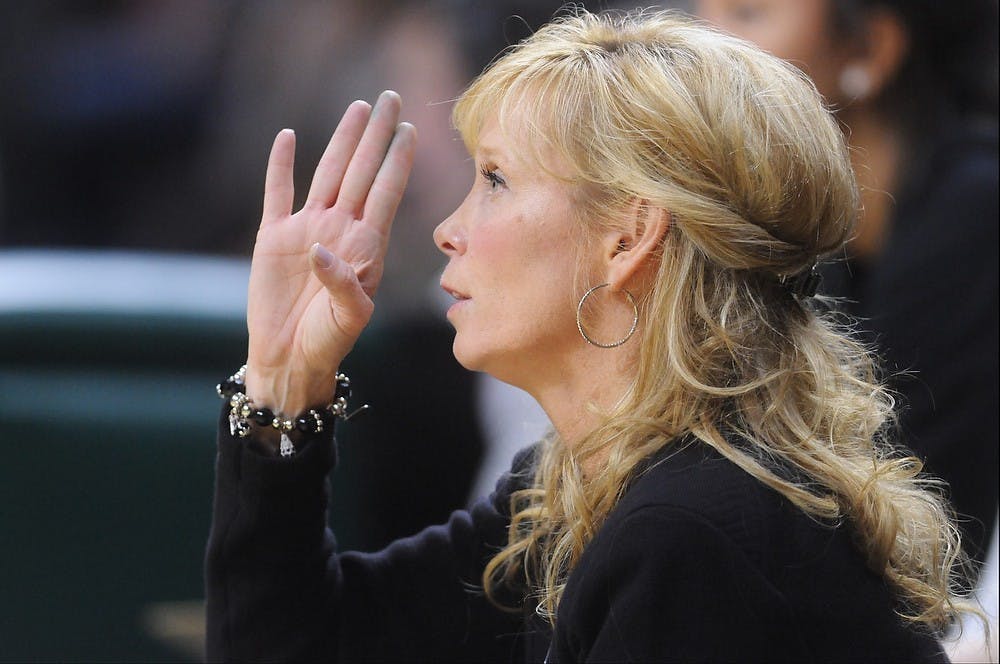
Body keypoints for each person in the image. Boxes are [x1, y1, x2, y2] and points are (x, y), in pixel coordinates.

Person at [205, 10, 980, 661]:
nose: (446, 230)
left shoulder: (689, 534)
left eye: (497, 180)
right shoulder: (583, 489)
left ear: (628, 237)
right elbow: (297, 645)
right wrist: (280, 381)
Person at [695, 0, 999, 569]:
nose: (701, 46)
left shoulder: (976, 214)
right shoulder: (792, 223)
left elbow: (918, 520)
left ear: (869, 50)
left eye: (746, 15)